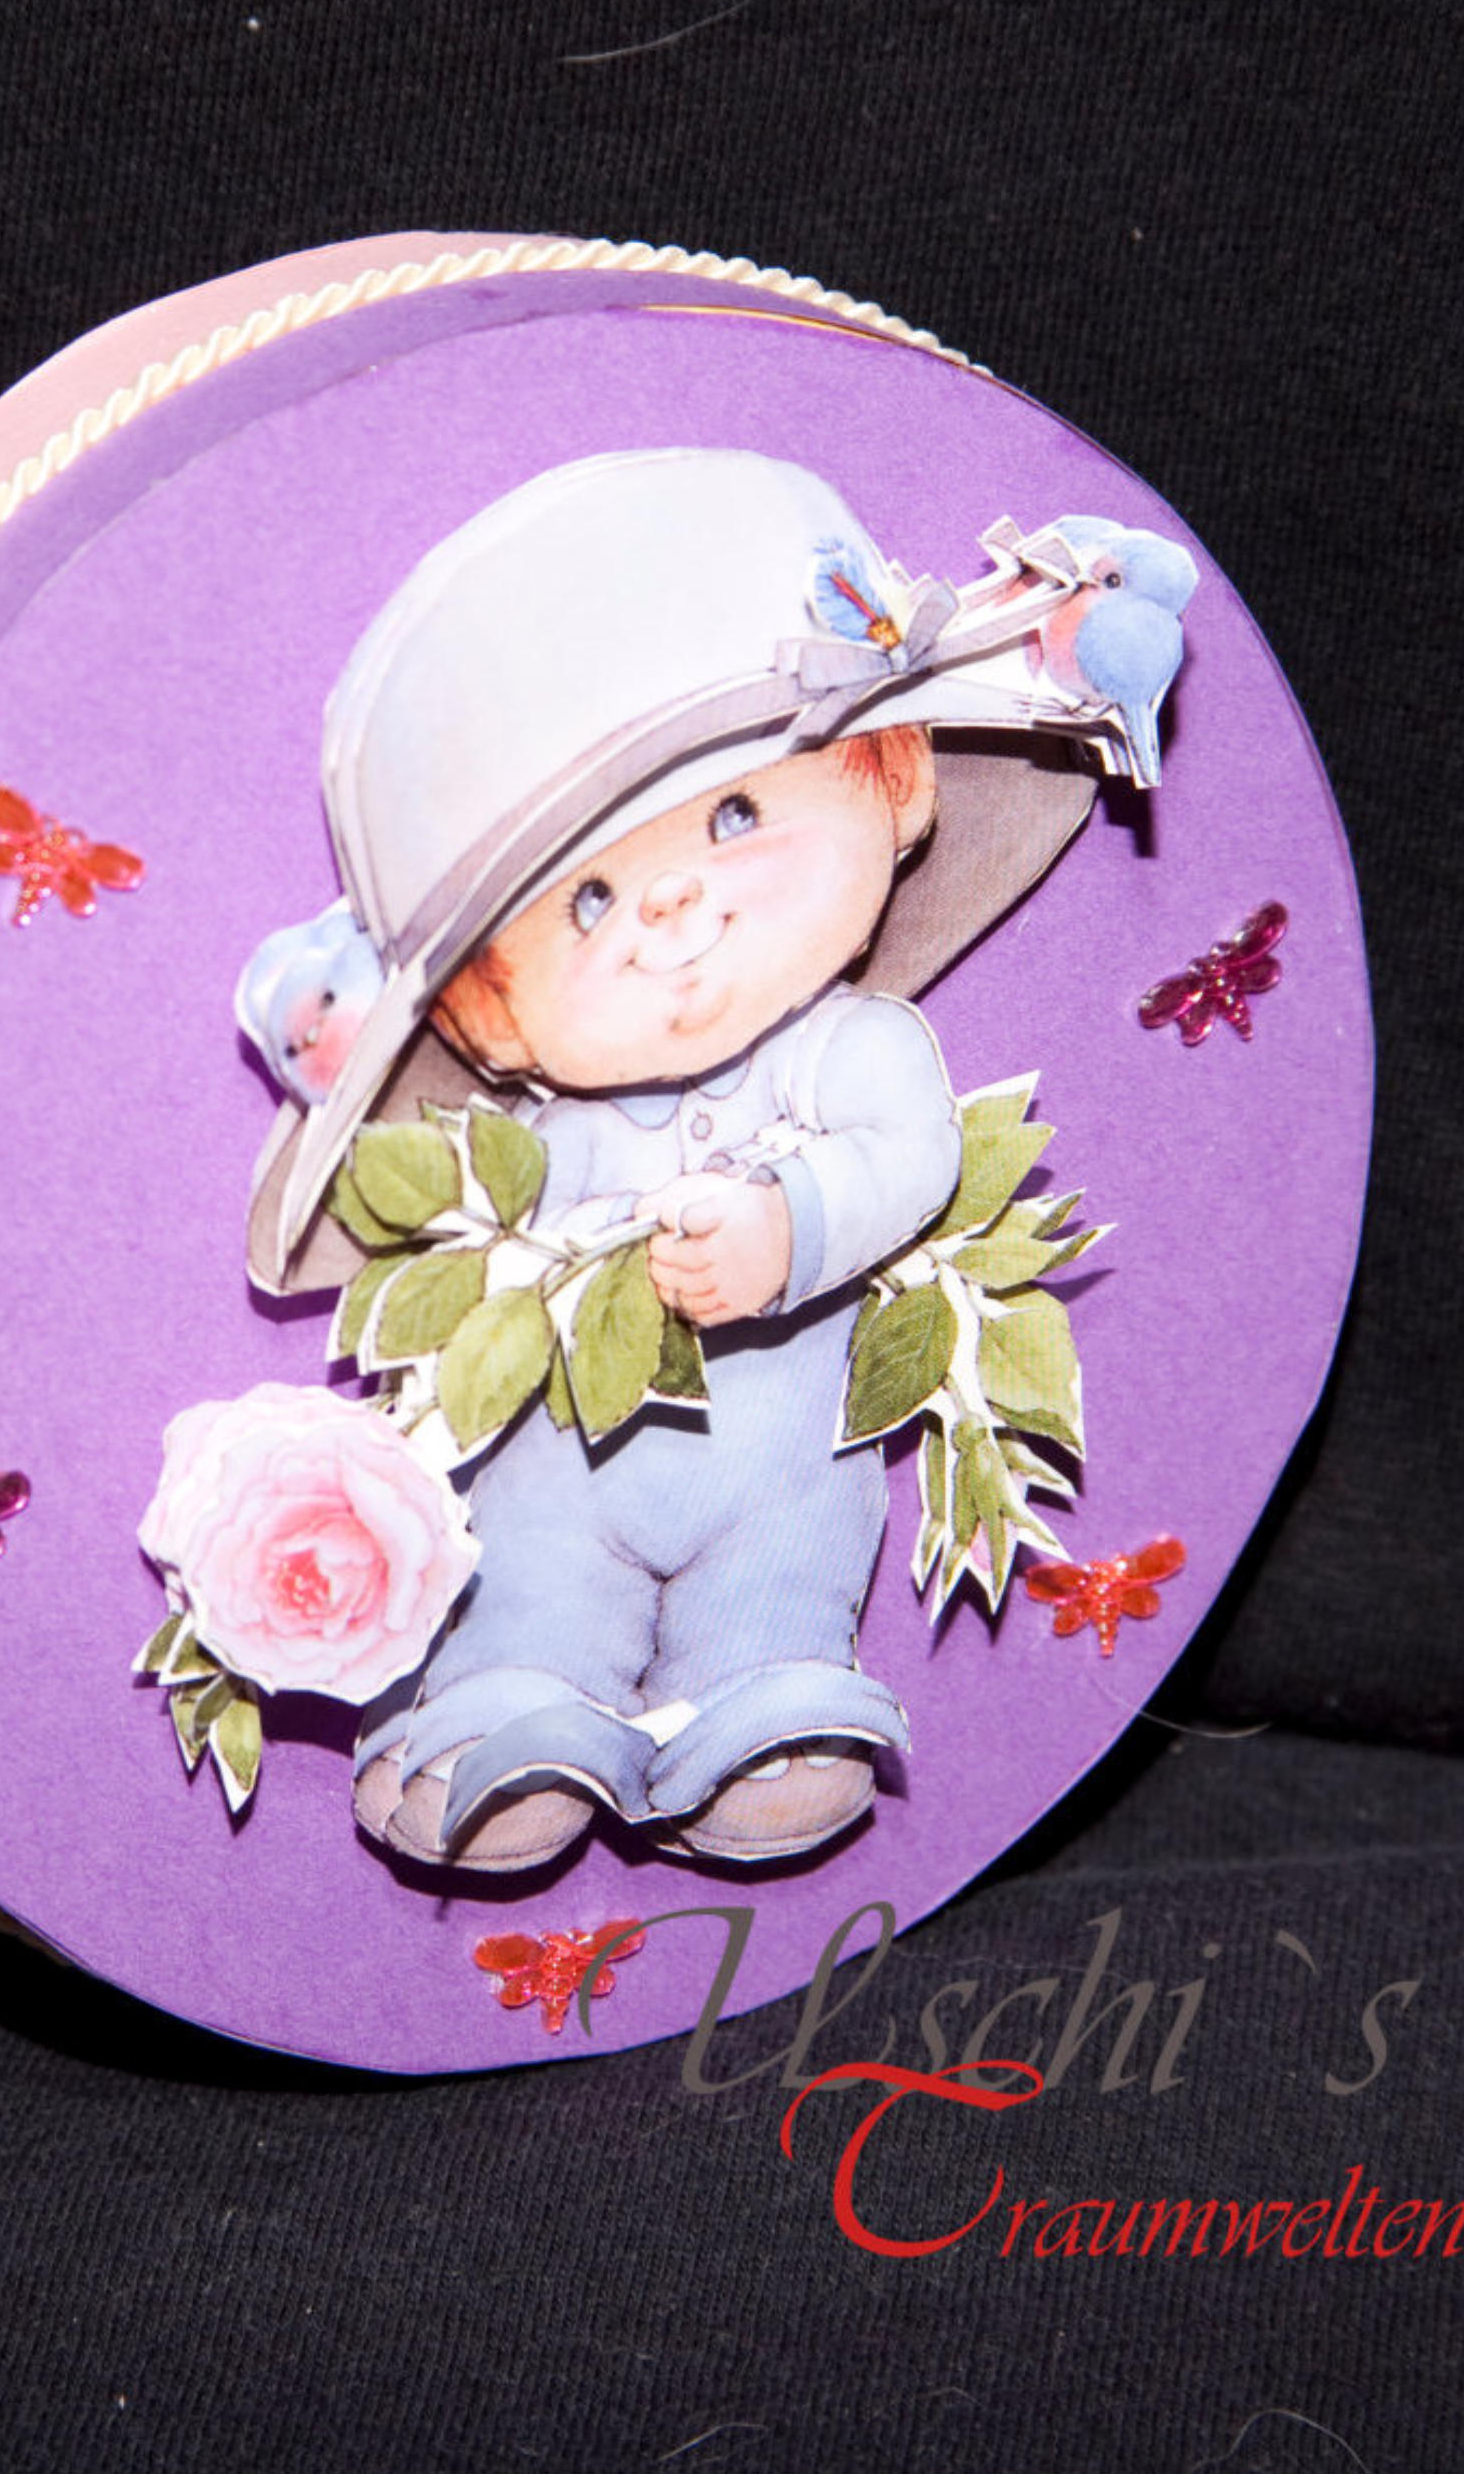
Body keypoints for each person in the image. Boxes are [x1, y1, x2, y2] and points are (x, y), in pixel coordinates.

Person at [240, 449, 1188, 1869]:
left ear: (894, 778)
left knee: (788, 1573)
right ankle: (515, 1703)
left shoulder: (852, 1048)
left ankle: (762, 1701)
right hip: (562, 1472)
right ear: (486, 1015)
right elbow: (489, 1260)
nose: (674, 913)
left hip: (782, 1464)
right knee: (531, 1583)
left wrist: (789, 1228)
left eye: (738, 817)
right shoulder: (542, 1132)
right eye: (588, 899)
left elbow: (908, 1156)